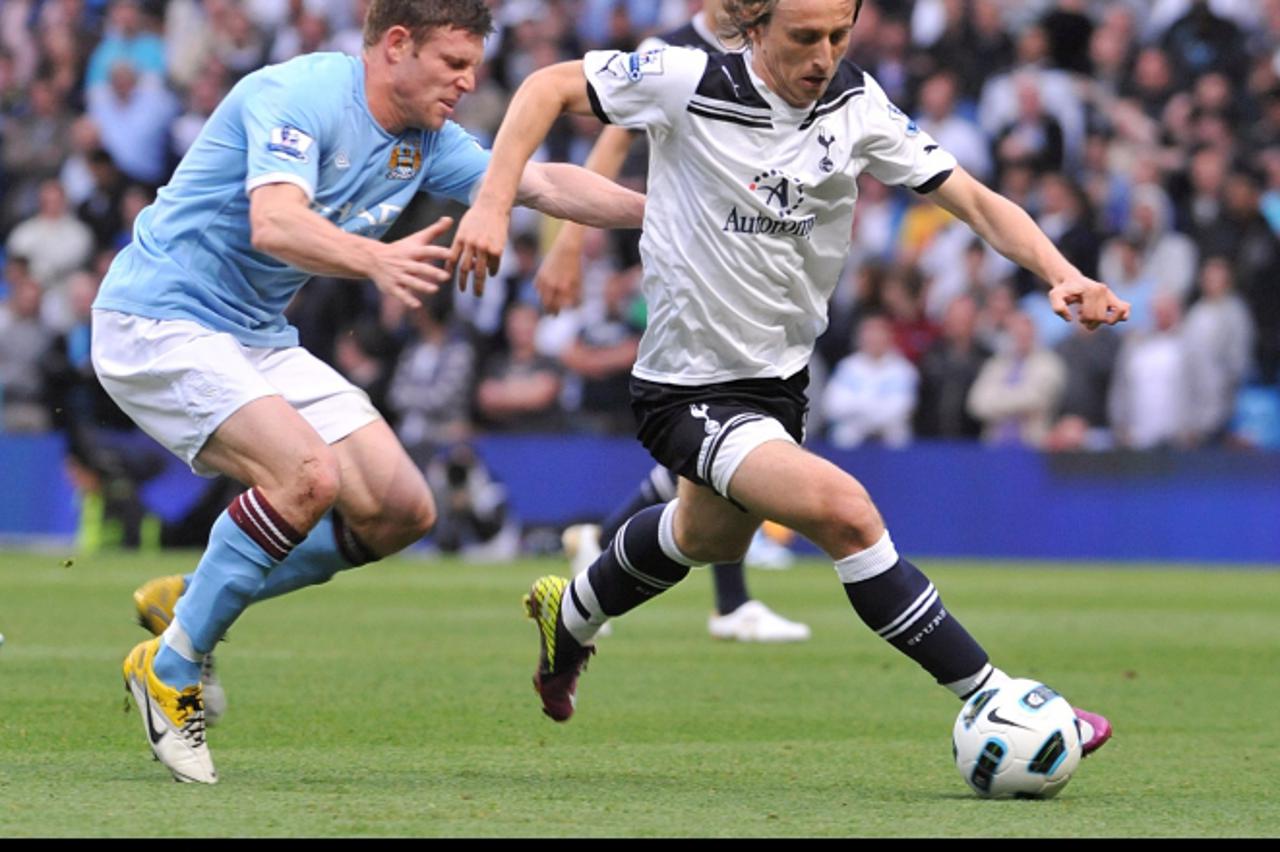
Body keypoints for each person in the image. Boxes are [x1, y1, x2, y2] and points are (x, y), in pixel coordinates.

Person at [448, 0, 1127, 759]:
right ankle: (998, 698)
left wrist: (1063, 274)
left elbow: (969, 198)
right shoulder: (687, 78)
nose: (824, 55)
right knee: (845, 513)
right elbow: (545, 86)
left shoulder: (856, 104)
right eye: (805, 37)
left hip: (780, 382)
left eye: (839, 36)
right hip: (686, 388)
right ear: (753, 25)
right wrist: (493, 202)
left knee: (702, 535)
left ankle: (568, 615)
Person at [96, 0, 644, 785]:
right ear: (396, 45)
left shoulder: (427, 139)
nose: (469, 79)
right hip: (157, 319)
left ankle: (188, 601)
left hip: (251, 335)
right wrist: (373, 259)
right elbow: (275, 224)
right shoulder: (301, 96)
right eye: (454, 62)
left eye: (474, 64)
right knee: (307, 477)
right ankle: (172, 667)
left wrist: (669, 215)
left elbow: (544, 183)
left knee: (399, 510)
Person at [542, 0, 811, 643]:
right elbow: (610, 138)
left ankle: (610, 541)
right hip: (688, 252)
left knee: (732, 421)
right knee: (727, 411)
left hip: (755, 257)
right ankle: (729, 598)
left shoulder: (778, 41)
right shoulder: (671, 48)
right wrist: (569, 242)